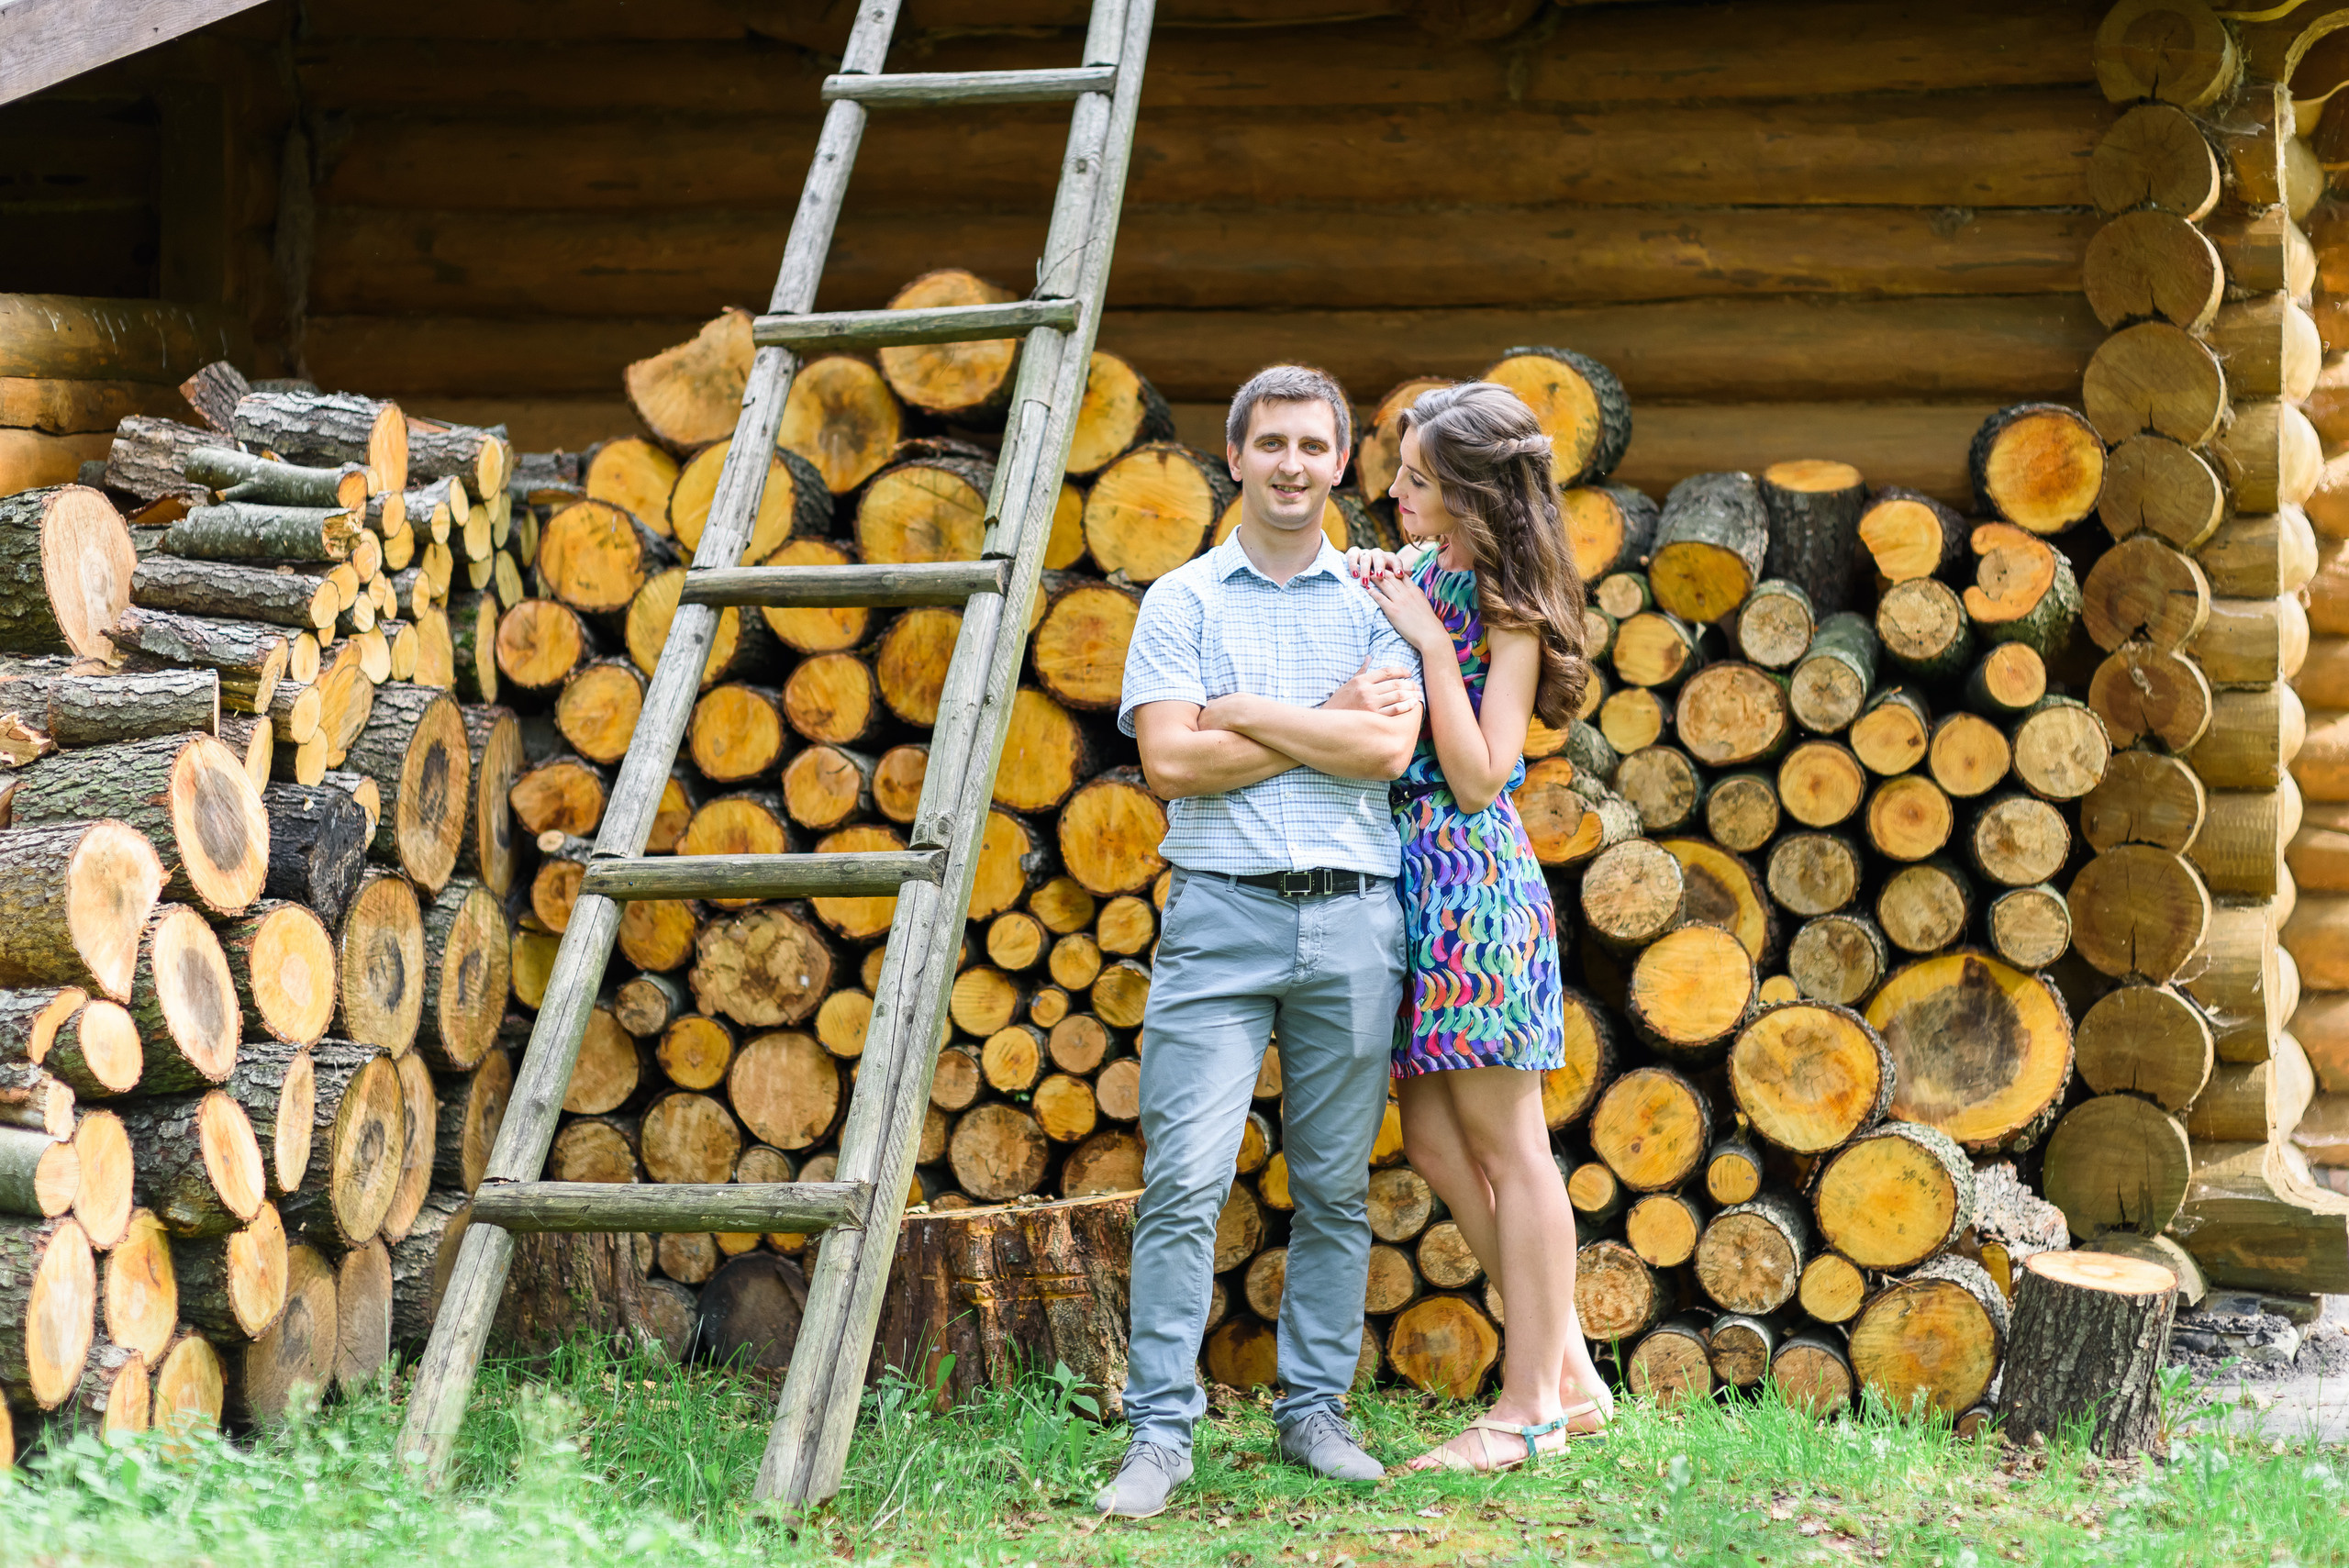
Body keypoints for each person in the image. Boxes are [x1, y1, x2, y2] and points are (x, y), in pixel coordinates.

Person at [1095, 364, 1428, 1520]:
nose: (1293, 464)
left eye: (1314, 445)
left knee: (1333, 1186)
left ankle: (1314, 1413)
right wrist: (1318, 724)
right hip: (1219, 915)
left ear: (1343, 463)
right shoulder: (1182, 602)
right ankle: (1157, 1433)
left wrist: (1240, 710)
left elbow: (1384, 753)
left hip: (1351, 917)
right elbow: (1169, 764)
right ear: (1232, 458)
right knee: (1185, 1180)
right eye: (1270, 443)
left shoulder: (1379, 599)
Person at [1350, 380, 1613, 1470]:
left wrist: (1418, 639)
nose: (1394, 492)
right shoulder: (1419, 570)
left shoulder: (1504, 606)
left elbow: (1476, 773)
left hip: (1470, 882)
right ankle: (1575, 1374)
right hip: (1399, 883)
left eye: (1416, 479)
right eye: (1401, 472)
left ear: (1466, 492)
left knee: (1512, 1143)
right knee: (1430, 1137)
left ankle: (1525, 1413)